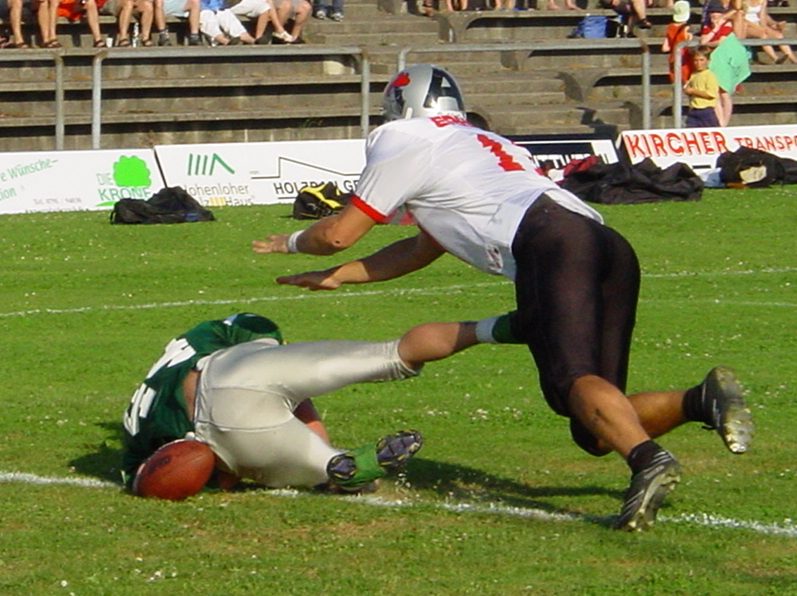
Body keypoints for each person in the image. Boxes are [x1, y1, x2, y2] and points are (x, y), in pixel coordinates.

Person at [252, 64, 755, 531]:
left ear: (402, 106)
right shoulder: (478, 139)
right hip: (604, 243)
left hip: (550, 244)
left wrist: (291, 242)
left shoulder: (403, 138)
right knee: (595, 426)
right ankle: (699, 401)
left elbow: (339, 233)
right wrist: (340, 277)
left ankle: (648, 461)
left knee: (573, 382)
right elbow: (422, 247)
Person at [121, 311, 507, 494]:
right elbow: (287, 382)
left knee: (324, 465)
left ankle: (334, 466)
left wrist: (214, 476)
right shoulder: (215, 334)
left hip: (223, 443)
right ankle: (500, 328)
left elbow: (142, 478)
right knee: (393, 355)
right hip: (233, 373)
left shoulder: (137, 423)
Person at [684, 46, 721, 127]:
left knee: (711, 131)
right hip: (693, 110)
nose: (698, 63)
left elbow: (711, 94)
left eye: (701, 60)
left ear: (708, 61)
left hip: (706, 111)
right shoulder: (694, 74)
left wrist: (693, 91)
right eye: (696, 60)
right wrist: (687, 90)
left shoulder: (709, 75)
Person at [662, 0, 693, 85]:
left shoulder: (670, 27)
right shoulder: (686, 29)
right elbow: (690, 46)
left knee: (676, 85)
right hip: (684, 60)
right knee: (686, 84)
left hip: (673, 59)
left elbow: (665, 48)